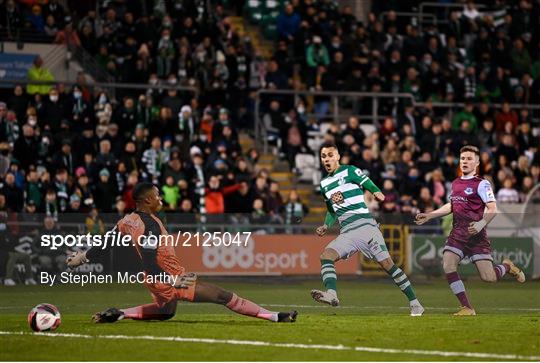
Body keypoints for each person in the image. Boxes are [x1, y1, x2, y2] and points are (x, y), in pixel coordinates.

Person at [67, 182, 297, 323]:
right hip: (167, 278)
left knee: (166, 313)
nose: (160, 198)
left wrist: (81, 257)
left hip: (155, 279)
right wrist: (174, 280)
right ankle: (275, 316)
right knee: (223, 296)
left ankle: (120, 313)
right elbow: (149, 261)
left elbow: (106, 243)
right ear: (147, 200)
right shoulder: (151, 226)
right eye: (157, 195)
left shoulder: (127, 221)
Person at [312, 142, 424, 316]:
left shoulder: (349, 170)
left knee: (388, 265)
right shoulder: (325, 184)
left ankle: (415, 303)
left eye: (330, 155)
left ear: (338, 156)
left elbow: (367, 182)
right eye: (323, 156)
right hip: (347, 231)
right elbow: (331, 210)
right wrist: (326, 225)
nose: (327, 159)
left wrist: (377, 192)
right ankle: (332, 295)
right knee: (326, 256)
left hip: (366, 226)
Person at [415, 145, 525, 316]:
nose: (465, 161)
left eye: (469, 159)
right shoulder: (456, 183)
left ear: (477, 162)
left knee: (489, 277)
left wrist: (482, 223)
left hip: (477, 237)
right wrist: (430, 215)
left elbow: (493, 208)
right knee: (448, 264)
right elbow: (451, 205)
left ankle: (507, 266)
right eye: (463, 158)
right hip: (458, 234)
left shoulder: (482, 184)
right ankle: (467, 307)